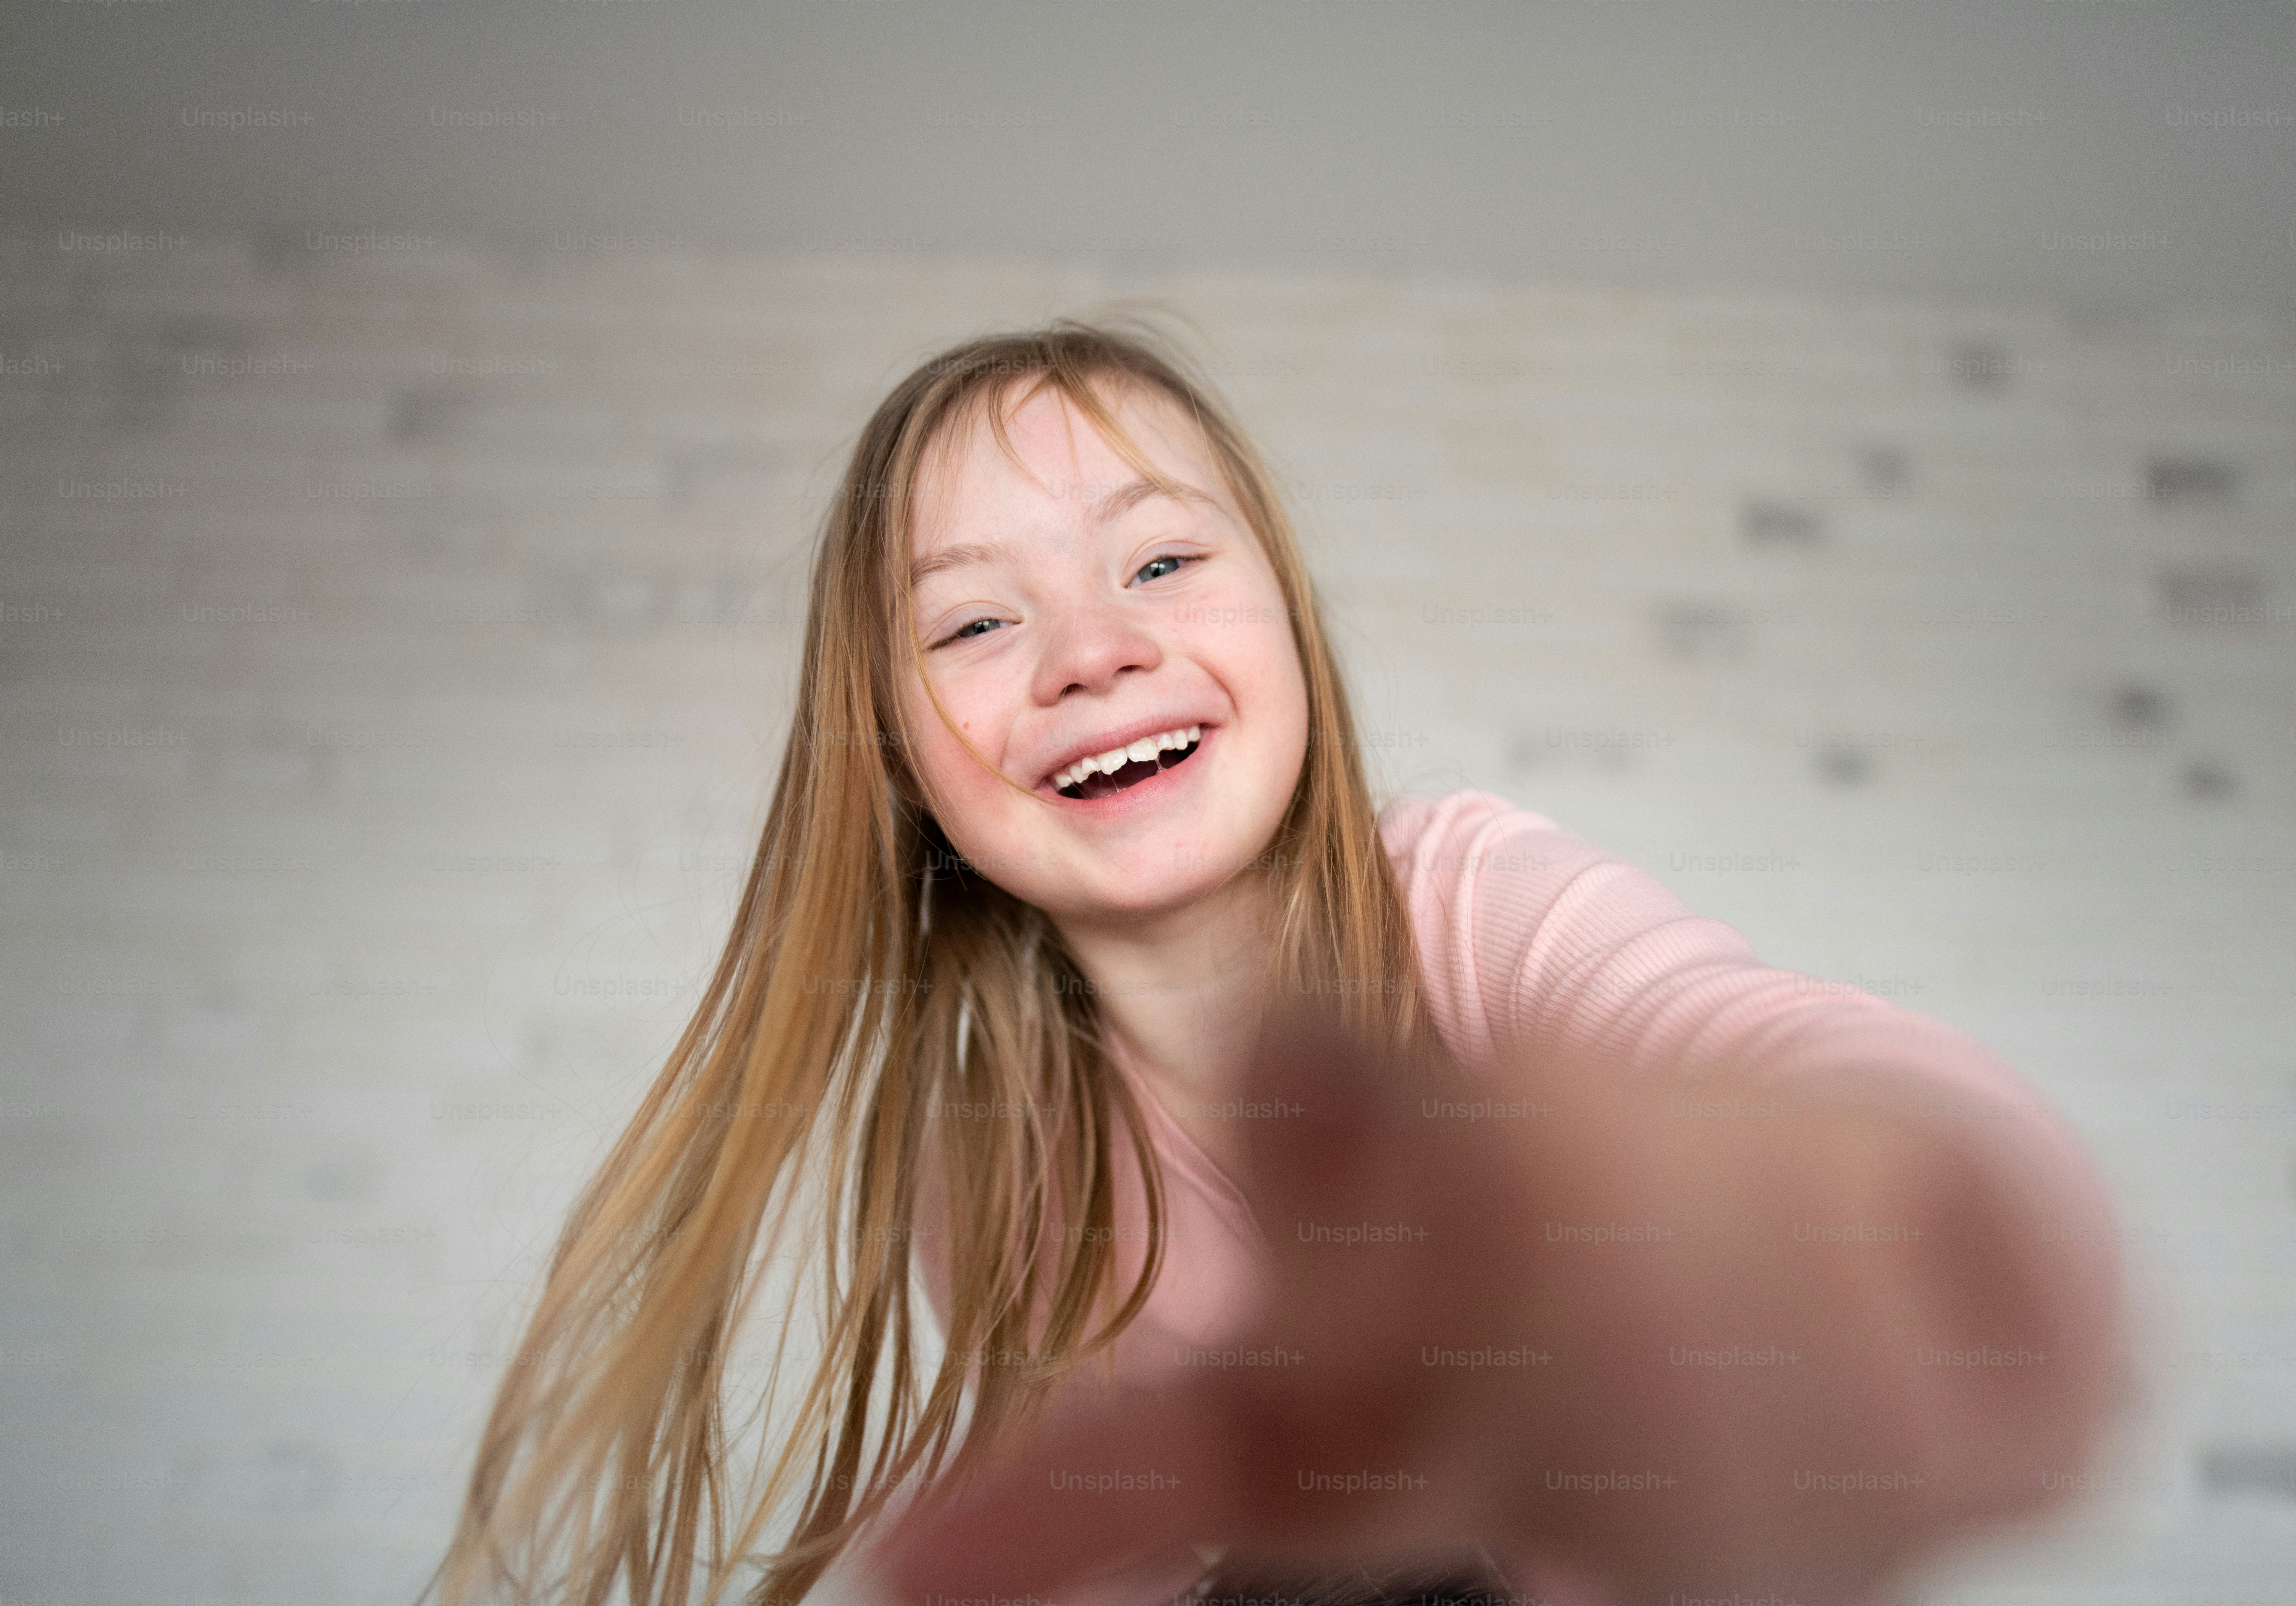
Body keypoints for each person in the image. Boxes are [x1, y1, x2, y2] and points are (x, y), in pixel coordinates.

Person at [427, 319, 2126, 1606]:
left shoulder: (1465, 900)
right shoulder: (990, 1171)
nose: (1094, 652)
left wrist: (1852, 1195)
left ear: (1289, 621)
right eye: (975, 622)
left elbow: (1760, 1048)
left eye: (1164, 562)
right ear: (898, 758)